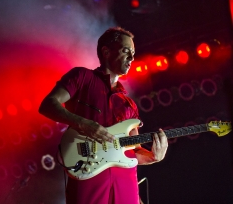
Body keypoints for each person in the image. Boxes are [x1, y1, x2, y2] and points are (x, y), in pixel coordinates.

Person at [38, 27, 168, 204]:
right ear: (106, 52)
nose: (132, 58)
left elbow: (134, 151)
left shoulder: (129, 104)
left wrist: (153, 157)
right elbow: (48, 104)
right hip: (88, 171)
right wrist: (82, 123)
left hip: (125, 180)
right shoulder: (82, 77)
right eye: (126, 51)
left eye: (133, 53)